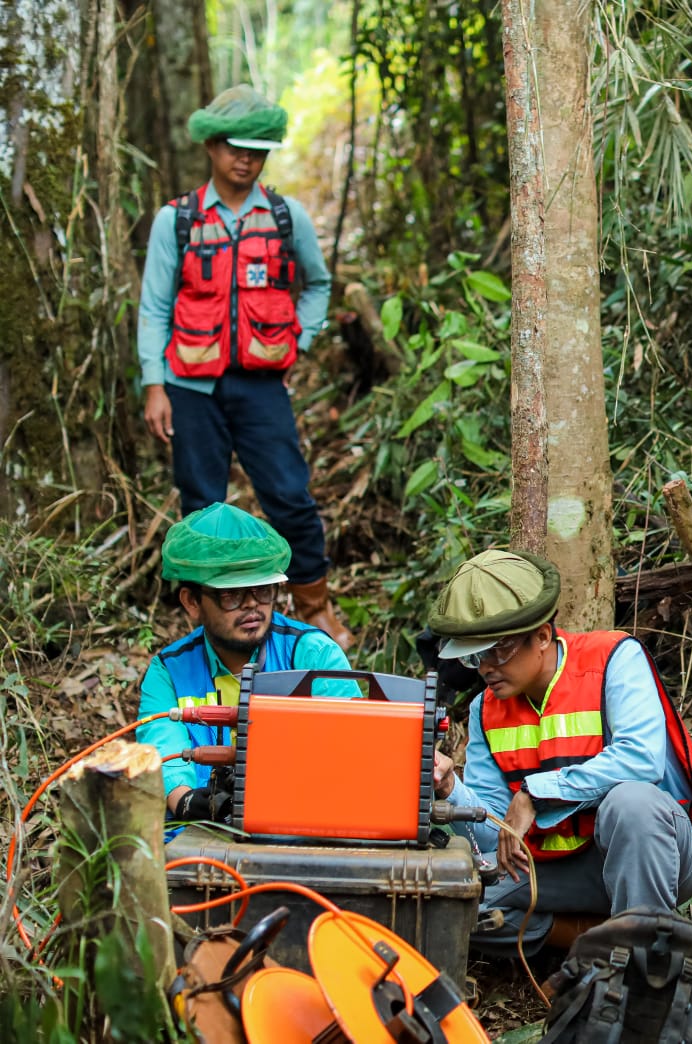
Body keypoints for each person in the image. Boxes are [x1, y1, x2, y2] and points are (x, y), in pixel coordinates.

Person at [136, 84, 353, 650]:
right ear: (211, 145)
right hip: (190, 385)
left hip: (261, 387)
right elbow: (156, 305)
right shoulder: (177, 221)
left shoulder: (286, 216)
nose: (246, 159)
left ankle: (316, 609)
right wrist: (154, 384)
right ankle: (207, 625)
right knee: (201, 506)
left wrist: (297, 341)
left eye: (258, 149)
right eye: (235, 146)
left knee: (289, 495)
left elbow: (319, 285)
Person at [425, 549, 692, 954]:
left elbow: (642, 760)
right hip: (557, 872)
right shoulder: (484, 710)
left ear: (543, 636)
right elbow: (495, 831)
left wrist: (535, 793)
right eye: (476, 656)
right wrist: (449, 788)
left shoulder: (614, 658)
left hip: (657, 855)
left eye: (498, 650)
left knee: (631, 802)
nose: (486, 667)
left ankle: (643, 962)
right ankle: (597, 945)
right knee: (451, 902)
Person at [136, 502, 354, 822]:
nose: (252, 604)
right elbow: (164, 753)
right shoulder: (169, 671)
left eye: (263, 589)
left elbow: (348, 748)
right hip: (200, 835)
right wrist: (187, 802)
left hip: (303, 828)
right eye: (232, 594)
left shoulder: (313, 655)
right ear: (192, 602)